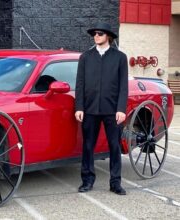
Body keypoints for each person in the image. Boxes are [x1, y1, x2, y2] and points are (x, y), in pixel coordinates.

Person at [75, 22, 128, 195]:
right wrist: (79, 107)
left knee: (114, 146)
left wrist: (121, 109)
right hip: (89, 110)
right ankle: (87, 180)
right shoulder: (85, 57)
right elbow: (80, 84)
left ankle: (115, 183)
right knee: (88, 146)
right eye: (94, 34)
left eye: (99, 33)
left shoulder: (120, 57)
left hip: (112, 110)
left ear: (108, 36)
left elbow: (123, 86)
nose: (96, 36)